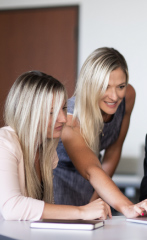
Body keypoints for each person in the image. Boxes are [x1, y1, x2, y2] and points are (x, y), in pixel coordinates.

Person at [54, 47, 147, 218]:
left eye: (120, 86)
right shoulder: (71, 118)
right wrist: (128, 207)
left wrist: (97, 198)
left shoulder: (128, 96)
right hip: (61, 182)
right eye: (105, 87)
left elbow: (114, 149)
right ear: (90, 85)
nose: (114, 96)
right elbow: (91, 169)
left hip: (99, 180)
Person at [0, 71, 111, 220]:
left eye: (63, 109)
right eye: (51, 112)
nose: (63, 118)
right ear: (28, 114)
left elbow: (40, 213)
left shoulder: (48, 151)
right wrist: (82, 211)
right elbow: (12, 207)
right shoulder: (4, 143)